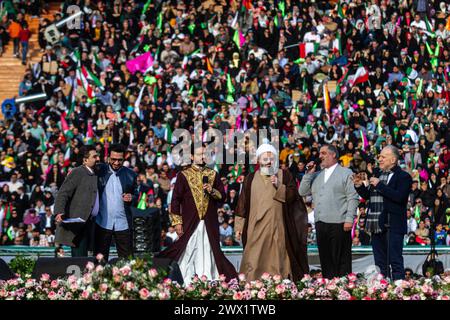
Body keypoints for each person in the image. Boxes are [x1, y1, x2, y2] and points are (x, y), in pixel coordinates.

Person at [157, 145, 237, 284]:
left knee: (209, 249)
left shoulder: (213, 174)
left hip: (209, 222)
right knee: (187, 249)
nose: (203, 156)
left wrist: (212, 190)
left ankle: (208, 279)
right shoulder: (184, 175)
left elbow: (222, 197)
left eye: (205, 153)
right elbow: (175, 200)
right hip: (189, 222)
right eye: (200, 154)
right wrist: (177, 222)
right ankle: (185, 280)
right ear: (192, 156)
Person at [235, 143, 309, 281]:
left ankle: (279, 284)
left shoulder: (284, 175)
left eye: (272, 158)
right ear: (258, 160)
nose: (269, 162)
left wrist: (279, 186)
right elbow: (242, 203)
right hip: (255, 225)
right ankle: (253, 283)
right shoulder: (250, 178)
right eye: (265, 158)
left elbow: (293, 196)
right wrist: (239, 226)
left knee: (278, 253)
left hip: (278, 223)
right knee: (254, 254)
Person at [299, 144, 359, 279]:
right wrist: (308, 174)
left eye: (324, 153)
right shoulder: (316, 175)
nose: (320, 156)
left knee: (341, 260)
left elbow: (352, 197)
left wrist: (350, 218)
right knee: (326, 260)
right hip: (320, 223)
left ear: (333, 155)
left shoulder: (346, 173)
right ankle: (329, 287)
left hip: (340, 222)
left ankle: (343, 287)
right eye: (320, 153)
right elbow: (302, 191)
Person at [353, 145, 413, 280]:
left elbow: (399, 197)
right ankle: (383, 290)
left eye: (383, 157)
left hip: (393, 225)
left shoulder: (404, 177)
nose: (379, 159)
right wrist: (359, 186)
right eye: (379, 156)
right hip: (376, 225)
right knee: (380, 263)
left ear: (393, 160)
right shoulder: (378, 174)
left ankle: (398, 290)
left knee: (395, 261)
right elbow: (369, 196)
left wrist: (380, 185)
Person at [54, 145, 100, 257]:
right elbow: (63, 192)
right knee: (80, 257)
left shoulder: (97, 172)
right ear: (85, 160)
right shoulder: (77, 172)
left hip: (92, 222)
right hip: (78, 223)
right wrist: (59, 211)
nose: (98, 159)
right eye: (94, 157)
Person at [94, 144, 137, 261]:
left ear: (124, 159)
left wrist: (132, 197)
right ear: (108, 158)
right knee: (100, 262)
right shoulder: (99, 171)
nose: (117, 163)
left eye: (120, 160)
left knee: (127, 262)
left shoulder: (131, 175)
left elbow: (137, 195)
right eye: (113, 159)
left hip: (123, 224)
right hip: (102, 222)